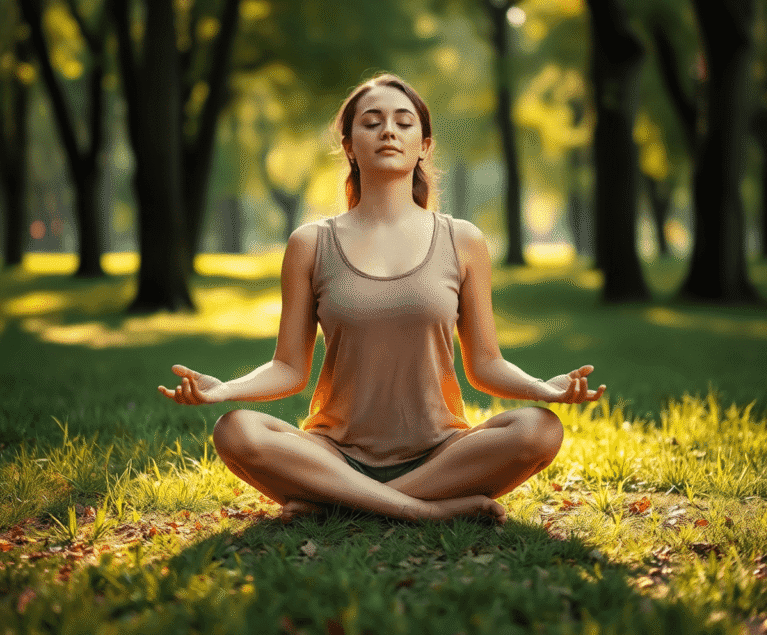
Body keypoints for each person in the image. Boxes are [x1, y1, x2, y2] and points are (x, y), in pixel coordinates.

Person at [159, 73, 605, 525]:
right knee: (237, 431)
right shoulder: (311, 244)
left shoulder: (463, 240)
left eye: (403, 122)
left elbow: (485, 364)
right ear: (349, 145)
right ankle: (420, 511)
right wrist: (225, 391)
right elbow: (289, 368)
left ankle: (340, 505)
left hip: (441, 455)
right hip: (332, 453)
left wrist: (542, 389)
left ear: (424, 146)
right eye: (371, 122)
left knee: (538, 430)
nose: (388, 131)